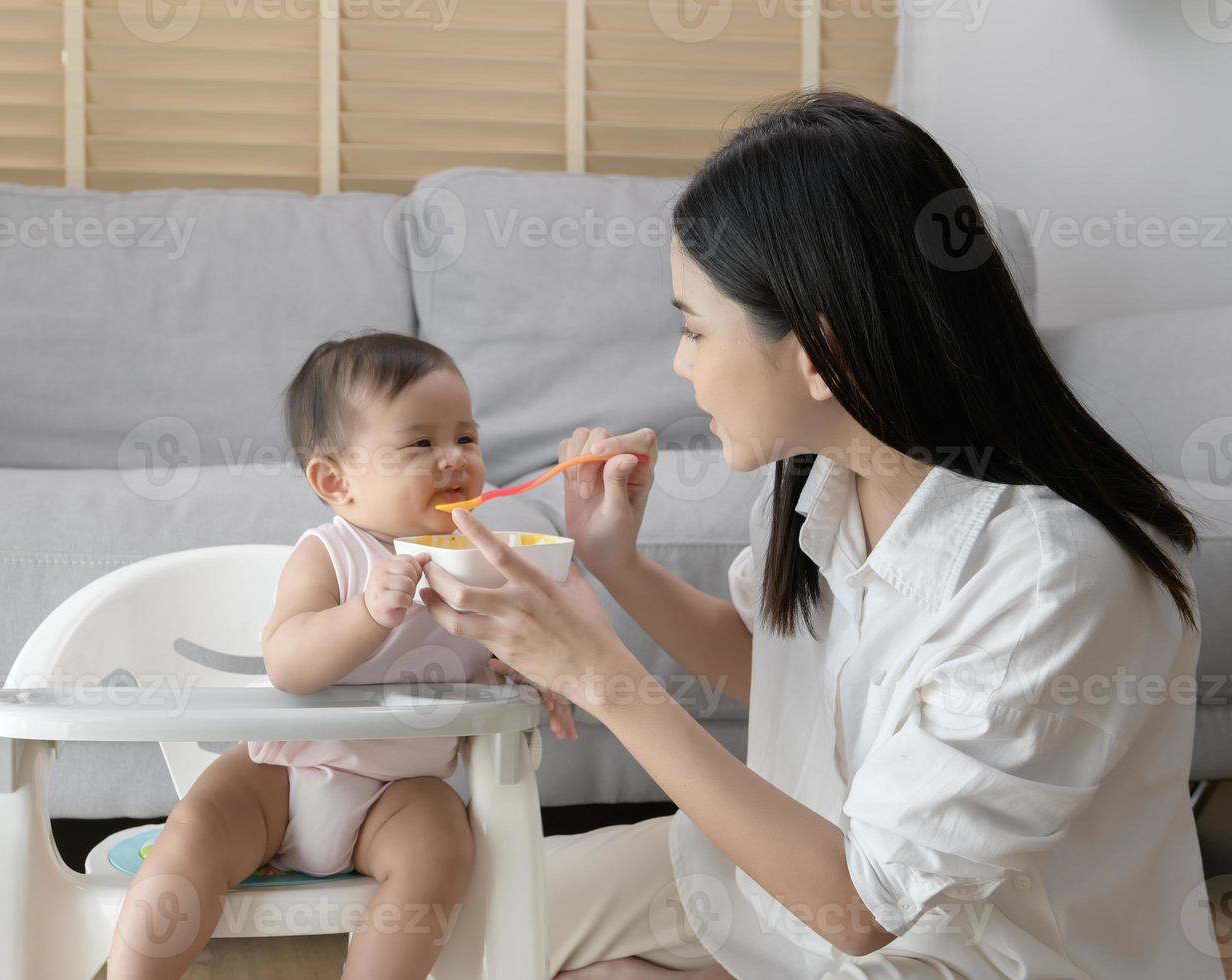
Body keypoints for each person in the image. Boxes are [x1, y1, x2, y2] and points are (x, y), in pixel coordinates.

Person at [419, 91, 1221, 979]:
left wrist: (599, 677)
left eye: (692, 328)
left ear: (821, 352)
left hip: (955, 952)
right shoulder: (822, 470)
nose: (680, 364)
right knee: (463, 928)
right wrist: (616, 564)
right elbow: (777, 666)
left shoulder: (1052, 576)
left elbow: (864, 906)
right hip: (783, 888)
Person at [106, 332, 575, 979]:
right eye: (420, 443)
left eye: (465, 439)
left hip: (397, 793)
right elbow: (287, 662)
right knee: (193, 835)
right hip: (283, 774)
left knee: (442, 852)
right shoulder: (332, 553)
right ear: (336, 482)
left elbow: (488, 668)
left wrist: (521, 675)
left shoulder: (480, 566)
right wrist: (363, 614)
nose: (453, 459)